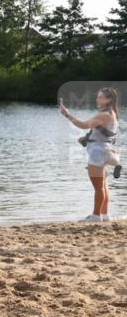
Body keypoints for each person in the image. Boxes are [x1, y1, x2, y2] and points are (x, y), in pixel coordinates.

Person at [60, 87, 120, 222]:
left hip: (97, 153)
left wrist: (67, 114)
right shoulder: (112, 113)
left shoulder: (104, 115)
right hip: (105, 150)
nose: (97, 99)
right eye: (97, 96)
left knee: (98, 187)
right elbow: (100, 132)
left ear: (108, 99)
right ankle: (104, 215)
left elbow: (83, 124)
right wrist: (86, 139)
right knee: (103, 185)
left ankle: (95, 216)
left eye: (100, 97)